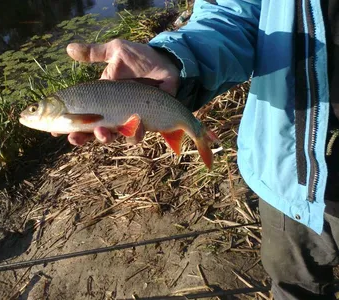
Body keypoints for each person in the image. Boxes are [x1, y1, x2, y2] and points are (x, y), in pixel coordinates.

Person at [54, 1, 339, 299]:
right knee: (292, 284)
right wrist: (176, 58)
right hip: (288, 172)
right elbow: (236, 10)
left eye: (35, 109)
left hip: (292, 168)